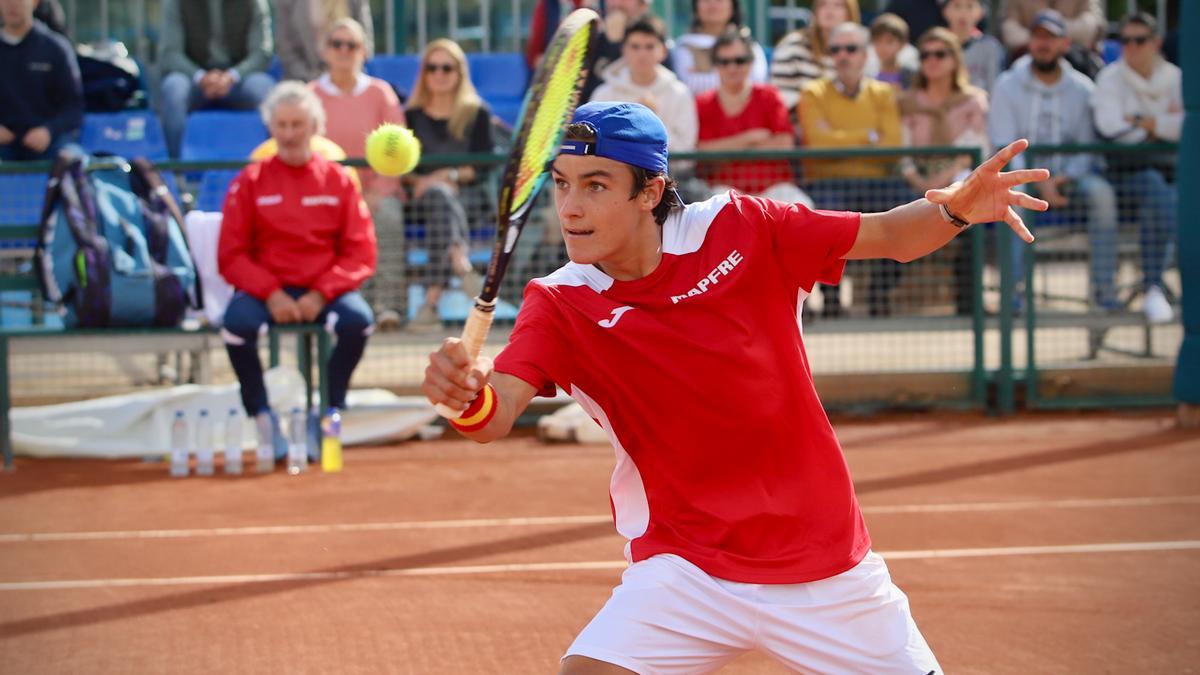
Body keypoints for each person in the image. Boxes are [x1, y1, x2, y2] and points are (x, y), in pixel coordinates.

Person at [421, 99, 1048, 674]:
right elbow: (495, 412)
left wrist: (959, 207)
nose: (570, 208)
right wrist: (463, 396)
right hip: (685, 567)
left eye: (595, 185)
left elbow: (888, 234)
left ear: (651, 191)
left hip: (822, 562)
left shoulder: (742, 226)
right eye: (560, 184)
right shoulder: (561, 301)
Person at [218, 82, 376, 446]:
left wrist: (320, 295)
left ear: (315, 128)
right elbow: (231, 254)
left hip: (324, 289)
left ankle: (330, 410)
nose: (289, 135)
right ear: (270, 128)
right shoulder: (250, 181)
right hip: (266, 290)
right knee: (235, 326)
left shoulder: (338, 179)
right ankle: (261, 415)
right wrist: (271, 294)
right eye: (281, 125)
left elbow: (360, 252)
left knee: (359, 323)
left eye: (297, 125)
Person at [989, 9, 1117, 313]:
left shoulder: (1084, 88)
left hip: (1071, 179)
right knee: (1012, 202)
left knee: (1103, 195)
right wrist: (1039, 181)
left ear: (1065, 43)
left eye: (1051, 38)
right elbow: (1003, 147)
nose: (1043, 44)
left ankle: (1103, 291)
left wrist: (1062, 178)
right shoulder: (1006, 85)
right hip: (1021, 179)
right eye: (1037, 37)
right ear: (1029, 42)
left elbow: (1087, 147)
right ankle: (1012, 295)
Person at [799, 22, 911, 317]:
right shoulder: (813, 92)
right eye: (836, 50)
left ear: (865, 54)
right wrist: (868, 137)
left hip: (878, 182)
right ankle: (832, 299)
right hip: (828, 183)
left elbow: (892, 147)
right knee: (825, 220)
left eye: (851, 49)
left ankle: (879, 293)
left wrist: (839, 140)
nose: (843, 56)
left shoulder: (884, 93)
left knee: (908, 213)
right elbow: (818, 144)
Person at [309, 17, 408, 329]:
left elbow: (397, 146)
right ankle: (342, 305)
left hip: (378, 193)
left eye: (350, 45)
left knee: (388, 217)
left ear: (363, 52)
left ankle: (389, 307)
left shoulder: (381, 93)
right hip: (327, 195)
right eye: (336, 44)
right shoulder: (310, 94)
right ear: (324, 51)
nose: (343, 51)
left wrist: (378, 190)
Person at [1092, 12, 1182, 324]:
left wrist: (1140, 121)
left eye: (1139, 40)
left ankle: (1156, 285)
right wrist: (1160, 125)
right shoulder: (1109, 78)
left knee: (1165, 195)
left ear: (1156, 42)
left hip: (1171, 175)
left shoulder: (1175, 77)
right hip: (1121, 175)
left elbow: (1186, 126)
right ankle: (1156, 284)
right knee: (1155, 187)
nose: (1131, 46)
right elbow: (1112, 128)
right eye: (1125, 40)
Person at [403, 39, 493, 331]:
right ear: (424, 74)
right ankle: (461, 264)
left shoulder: (476, 112)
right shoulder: (410, 116)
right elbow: (404, 171)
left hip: (469, 198)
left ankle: (430, 305)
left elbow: (483, 165)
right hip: (423, 201)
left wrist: (448, 176)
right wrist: (426, 181)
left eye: (446, 67)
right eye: (432, 68)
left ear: (459, 73)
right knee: (439, 198)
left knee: (442, 201)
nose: (439, 74)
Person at [900, 27, 989, 316]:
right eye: (925, 55)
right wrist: (916, 178)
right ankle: (887, 301)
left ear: (954, 59)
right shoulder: (908, 101)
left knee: (966, 206)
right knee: (886, 204)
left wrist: (943, 179)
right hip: (914, 178)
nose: (932, 60)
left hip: (958, 177)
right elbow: (901, 150)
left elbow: (976, 150)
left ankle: (969, 300)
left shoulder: (973, 99)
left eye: (940, 54)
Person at [592, 17, 708, 203]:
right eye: (635, 46)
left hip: (667, 188)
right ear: (624, 50)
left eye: (649, 46)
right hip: (610, 187)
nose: (642, 53)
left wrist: (651, 123)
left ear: (662, 51)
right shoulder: (604, 93)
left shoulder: (680, 93)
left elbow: (686, 155)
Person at [696, 30, 810, 206]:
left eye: (739, 61)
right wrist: (750, 139)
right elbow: (702, 152)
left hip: (774, 189)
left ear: (751, 63)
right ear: (715, 65)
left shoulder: (769, 96)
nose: (732, 68)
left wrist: (726, 150)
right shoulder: (703, 102)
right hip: (725, 192)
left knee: (801, 206)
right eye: (724, 62)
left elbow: (784, 144)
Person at [157, 0, 275, 158]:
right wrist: (201, 77)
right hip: (194, 78)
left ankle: (272, 162)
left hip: (239, 79)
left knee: (264, 89)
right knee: (174, 88)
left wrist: (232, 76)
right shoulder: (177, 3)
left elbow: (262, 53)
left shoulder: (253, 3)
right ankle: (176, 167)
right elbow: (170, 53)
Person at [0, 0, 81, 161]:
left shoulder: (56, 48)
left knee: (71, 158)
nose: (12, 5)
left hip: (49, 144)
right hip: (4, 146)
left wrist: (48, 130)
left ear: (35, 2)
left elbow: (74, 107)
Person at [770, 0, 860, 113]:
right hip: (804, 125)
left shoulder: (861, 49)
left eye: (838, 5)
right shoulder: (793, 46)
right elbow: (781, 97)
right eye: (823, 4)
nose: (829, 10)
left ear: (850, 12)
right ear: (815, 11)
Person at [583, 0, 674, 102]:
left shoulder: (658, 44)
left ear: (643, 5)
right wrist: (613, 44)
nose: (617, 4)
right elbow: (585, 97)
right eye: (634, 47)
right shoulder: (592, 42)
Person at [671, 0, 768, 96]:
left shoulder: (750, 44)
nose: (712, 3)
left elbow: (757, 82)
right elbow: (689, 85)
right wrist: (737, 77)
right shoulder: (685, 45)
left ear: (733, 5)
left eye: (739, 61)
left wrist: (705, 73)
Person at [275, 0, 373, 82]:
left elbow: (365, 42)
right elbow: (285, 47)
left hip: (349, 79)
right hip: (303, 79)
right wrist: (311, 79)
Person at [1001, 0, 1104, 78]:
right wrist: (1038, 39)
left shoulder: (1084, 88)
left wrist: (1056, 32)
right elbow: (1009, 28)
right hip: (1028, 55)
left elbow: (1092, 23)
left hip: (1075, 56)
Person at [942, 0, 1005, 93]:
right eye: (957, 6)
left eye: (970, 6)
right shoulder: (935, 46)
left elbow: (995, 87)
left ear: (981, 12)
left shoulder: (991, 47)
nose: (963, 12)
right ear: (945, 11)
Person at [868, 12, 917, 90]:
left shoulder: (912, 76)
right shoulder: (867, 75)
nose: (883, 47)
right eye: (878, 41)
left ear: (903, 44)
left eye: (889, 42)